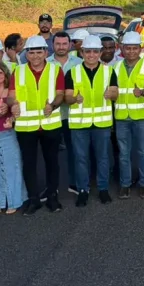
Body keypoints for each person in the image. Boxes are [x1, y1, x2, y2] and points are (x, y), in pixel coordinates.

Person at [9, 35, 66, 215]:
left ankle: (52, 197)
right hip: (26, 126)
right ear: (26, 54)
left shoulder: (55, 70)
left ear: (45, 52)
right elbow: (11, 94)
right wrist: (13, 104)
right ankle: (34, 199)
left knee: (52, 162)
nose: (35, 56)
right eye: (31, 52)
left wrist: (54, 105)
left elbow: (60, 94)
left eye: (38, 52)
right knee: (29, 164)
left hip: (50, 124)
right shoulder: (18, 72)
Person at [64, 35, 119, 206]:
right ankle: (83, 190)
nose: (92, 55)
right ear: (82, 52)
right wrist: (74, 99)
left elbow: (115, 93)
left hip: (102, 124)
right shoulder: (72, 72)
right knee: (81, 158)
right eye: (88, 51)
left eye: (95, 51)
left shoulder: (109, 71)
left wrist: (112, 94)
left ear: (100, 52)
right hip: (79, 124)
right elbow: (67, 97)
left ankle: (103, 189)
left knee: (102, 157)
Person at [113, 31, 144, 199]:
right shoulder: (115, 67)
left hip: (142, 116)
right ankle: (125, 184)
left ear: (140, 49)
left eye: (134, 48)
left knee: (143, 151)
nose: (131, 51)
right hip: (122, 116)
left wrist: (142, 92)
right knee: (123, 153)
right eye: (127, 48)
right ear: (122, 49)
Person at [0, 62, 27, 215]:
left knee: (12, 168)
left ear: (5, 75)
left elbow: (17, 109)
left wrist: (13, 120)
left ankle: (14, 200)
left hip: (7, 134)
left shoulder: (11, 92)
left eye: (0, 73)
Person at [48, 31, 83, 195]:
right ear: (52, 45)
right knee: (50, 154)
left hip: (73, 115)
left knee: (74, 151)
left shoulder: (79, 63)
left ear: (70, 45)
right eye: (57, 44)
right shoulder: (45, 63)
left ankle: (75, 183)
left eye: (64, 44)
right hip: (52, 116)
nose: (61, 47)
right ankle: (51, 187)